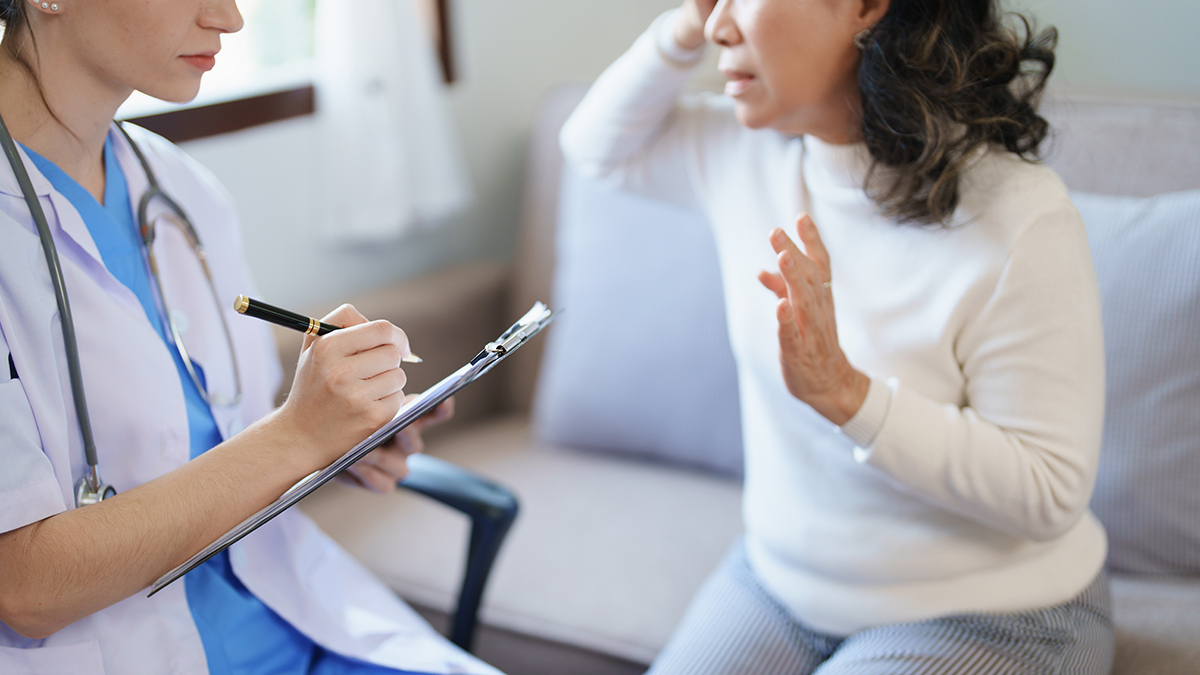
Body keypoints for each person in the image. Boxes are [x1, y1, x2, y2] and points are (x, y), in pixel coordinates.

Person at [560, 0, 1112, 673]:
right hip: (777, 586)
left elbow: (1049, 490)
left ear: (868, 7)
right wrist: (681, 26)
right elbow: (592, 148)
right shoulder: (740, 152)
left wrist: (847, 395)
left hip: (994, 612)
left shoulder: (1019, 215)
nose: (717, 27)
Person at [0, 0, 499, 673]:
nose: (230, 18)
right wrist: (293, 436)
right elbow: (25, 585)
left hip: (294, 617)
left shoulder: (179, 189)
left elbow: (220, 433)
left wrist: (331, 438)